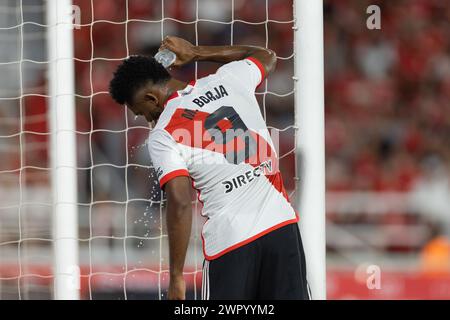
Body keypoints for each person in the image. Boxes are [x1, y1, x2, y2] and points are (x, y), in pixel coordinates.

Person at [109, 36, 309, 300]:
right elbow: (266, 55)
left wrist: (177, 277)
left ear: (151, 98)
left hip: (232, 243)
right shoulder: (228, 78)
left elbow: (180, 201)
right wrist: (196, 52)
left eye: (141, 111)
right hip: (282, 227)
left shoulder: (163, 134)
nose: (145, 118)